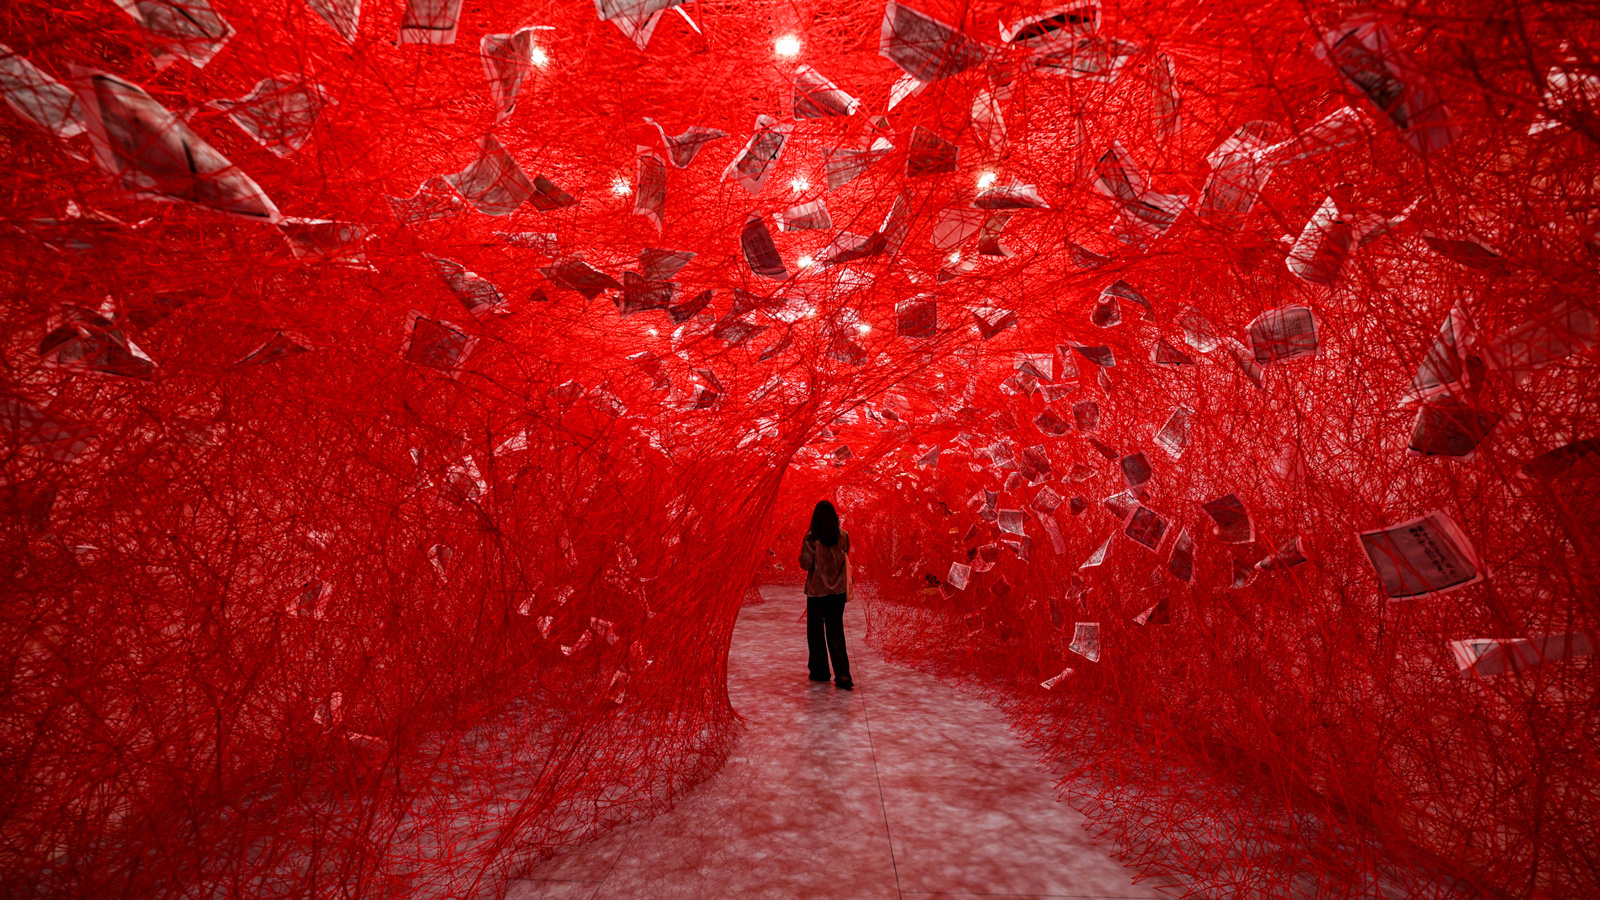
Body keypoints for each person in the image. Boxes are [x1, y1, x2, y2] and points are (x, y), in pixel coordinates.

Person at [799, 500, 853, 690]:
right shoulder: (843, 535)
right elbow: (846, 557)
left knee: (815, 632)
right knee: (836, 630)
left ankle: (820, 671)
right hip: (838, 591)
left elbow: (806, 564)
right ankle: (843, 673)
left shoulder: (811, 538)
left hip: (817, 591)